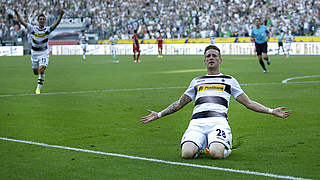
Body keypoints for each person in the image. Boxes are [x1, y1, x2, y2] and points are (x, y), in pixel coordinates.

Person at [141, 45, 291, 159]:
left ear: (220, 59)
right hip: (196, 124)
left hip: (218, 123)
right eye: (208, 56)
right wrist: (159, 114)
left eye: (214, 55)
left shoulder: (229, 80)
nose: (211, 58)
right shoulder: (196, 81)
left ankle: (223, 145)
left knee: (216, 154)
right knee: (186, 154)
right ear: (204, 60)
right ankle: (202, 144)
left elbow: (248, 103)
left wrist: (271, 111)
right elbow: (179, 103)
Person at [14, 7, 65, 94]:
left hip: (44, 53)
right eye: (40, 19)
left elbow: (56, 24)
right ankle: (40, 77)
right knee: (35, 72)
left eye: (43, 19)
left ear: (45, 21)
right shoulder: (32, 28)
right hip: (34, 53)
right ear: (38, 20)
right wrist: (16, 13)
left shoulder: (47, 30)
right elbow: (22, 22)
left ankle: (38, 89)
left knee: (41, 70)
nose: (42, 20)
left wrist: (60, 15)